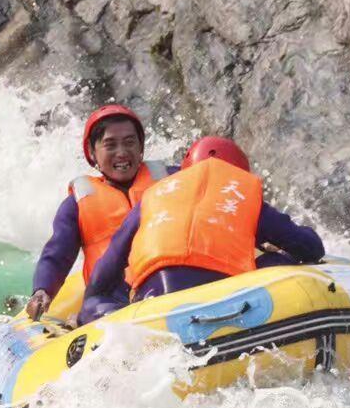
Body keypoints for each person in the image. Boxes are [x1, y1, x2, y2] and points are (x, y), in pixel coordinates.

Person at [79, 136, 325, 324]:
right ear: (240, 171)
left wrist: (90, 307)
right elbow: (310, 248)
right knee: (276, 261)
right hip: (223, 298)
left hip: (156, 304)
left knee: (97, 300)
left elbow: (105, 271)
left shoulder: (153, 197)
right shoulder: (240, 192)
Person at [25, 104, 171, 320]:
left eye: (130, 142)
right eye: (110, 145)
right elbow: (57, 254)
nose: (122, 153)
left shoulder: (173, 180)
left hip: (169, 284)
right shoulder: (77, 203)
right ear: (93, 153)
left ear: (141, 147)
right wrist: (42, 290)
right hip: (113, 299)